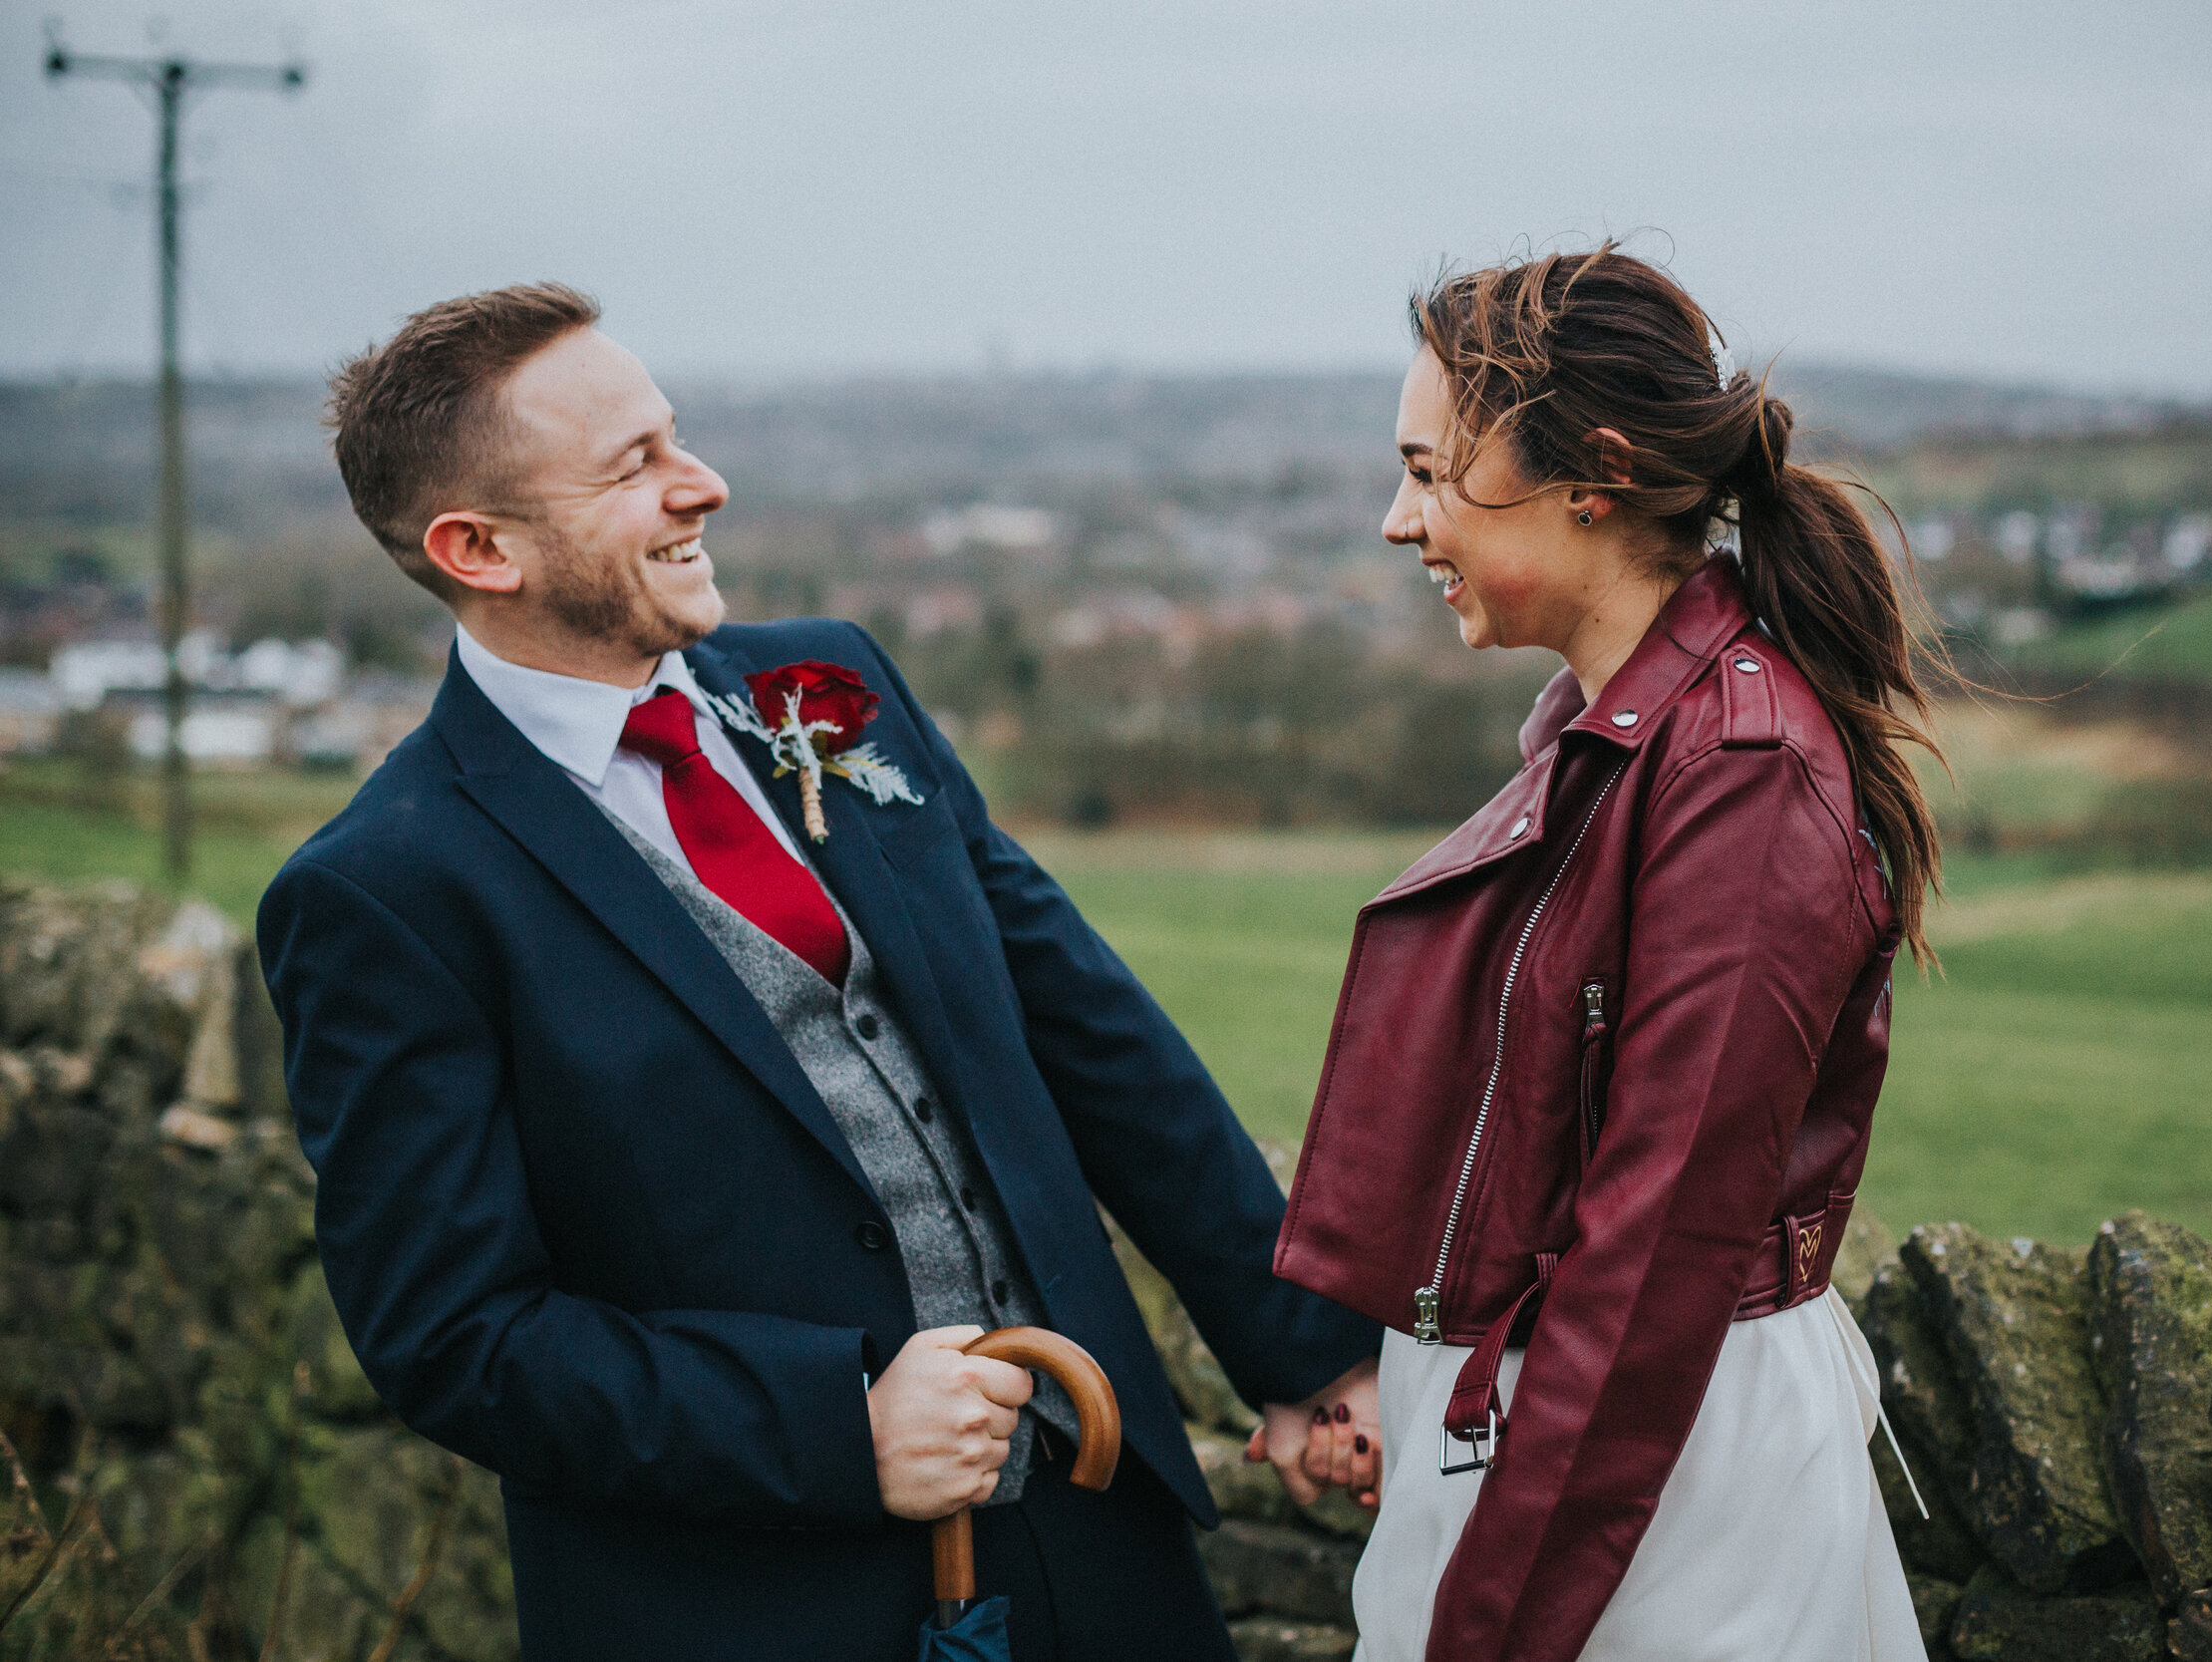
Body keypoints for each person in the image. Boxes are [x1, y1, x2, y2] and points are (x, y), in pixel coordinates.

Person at [259, 282, 1379, 1662]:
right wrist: (838, 1427)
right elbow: (459, 1340)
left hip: (1100, 1536)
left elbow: (1084, 1029)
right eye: (637, 467)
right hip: (754, 1606)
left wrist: (1307, 1353)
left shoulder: (827, 685)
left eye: (679, 437)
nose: (704, 485)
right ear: (478, 547)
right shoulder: (385, 892)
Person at [1272, 246, 1939, 1661]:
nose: (1399, 521)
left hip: (1680, 1506)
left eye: (1431, 472)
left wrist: (1496, 1623)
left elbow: (1649, 1271)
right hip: (1561, 1468)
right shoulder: (1616, 734)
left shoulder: (1743, 775)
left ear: (1594, 475)